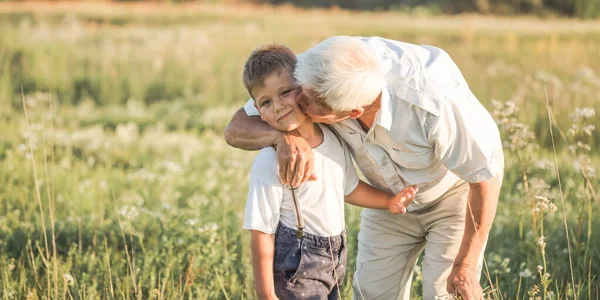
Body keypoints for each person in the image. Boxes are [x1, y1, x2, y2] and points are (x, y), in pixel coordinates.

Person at [226, 36, 504, 300]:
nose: (296, 102)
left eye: (308, 102)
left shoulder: (435, 101)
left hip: (451, 196)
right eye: (298, 90)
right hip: (386, 198)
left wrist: (466, 266)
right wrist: (284, 137)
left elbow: (484, 180)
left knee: (443, 293)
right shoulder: (321, 68)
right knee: (371, 293)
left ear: (352, 112)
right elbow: (236, 127)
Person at [240, 43, 418, 300]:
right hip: (296, 262)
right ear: (257, 110)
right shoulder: (272, 160)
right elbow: (261, 231)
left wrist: (388, 201)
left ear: (303, 89)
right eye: (266, 101)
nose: (278, 106)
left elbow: (349, 187)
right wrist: (266, 294)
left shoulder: (333, 139)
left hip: (334, 255)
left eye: (285, 92)